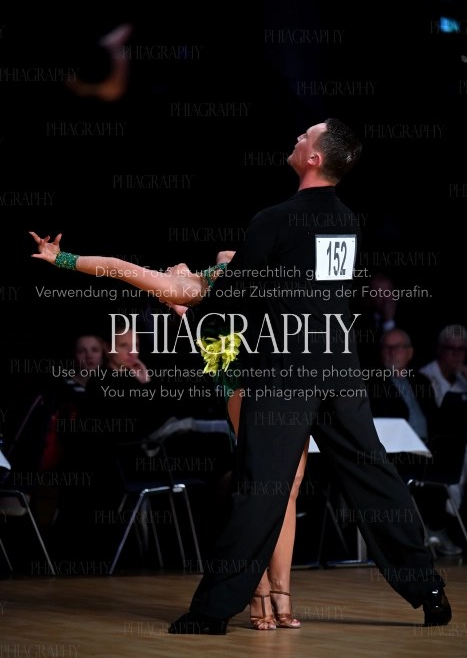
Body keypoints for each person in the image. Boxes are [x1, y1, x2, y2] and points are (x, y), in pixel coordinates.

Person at [29, 119, 452, 632]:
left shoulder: (274, 220)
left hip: (287, 369)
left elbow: (236, 293)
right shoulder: (347, 221)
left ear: (315, 158)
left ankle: (214, 611)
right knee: (371, 473)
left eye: (306, 136)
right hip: (337, 363)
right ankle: (428, 590)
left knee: (262, 487)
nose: (297, 137)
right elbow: (307, 292)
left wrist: (194, 310)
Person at [29, 236, 304, 629]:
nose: (173, 269)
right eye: (167, 282)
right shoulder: (194, 286)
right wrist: (63, 259)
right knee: (261, 487)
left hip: (291, 370)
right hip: (246, 378)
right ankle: (258, 590)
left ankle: (282, 592)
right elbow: (119, 267)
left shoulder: (237, 265)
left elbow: (235, 256)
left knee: (290, 486)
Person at [368, 328, 462, 555]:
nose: (392, 352)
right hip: (396, 449)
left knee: (446, 455)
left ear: (410, 353)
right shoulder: (373, 382)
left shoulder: (421, 381)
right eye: (387, 347)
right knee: (411, 470)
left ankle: (435, 528)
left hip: (429, 446)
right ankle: (422, 533)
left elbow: (435, 419)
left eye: (398, 347)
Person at [419, 324, 467, 519]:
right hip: (439, 446)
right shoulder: (425, 377)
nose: (456, 355)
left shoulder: (463, 378)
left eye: (461, 349)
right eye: (450, 348)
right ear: (439, 349)